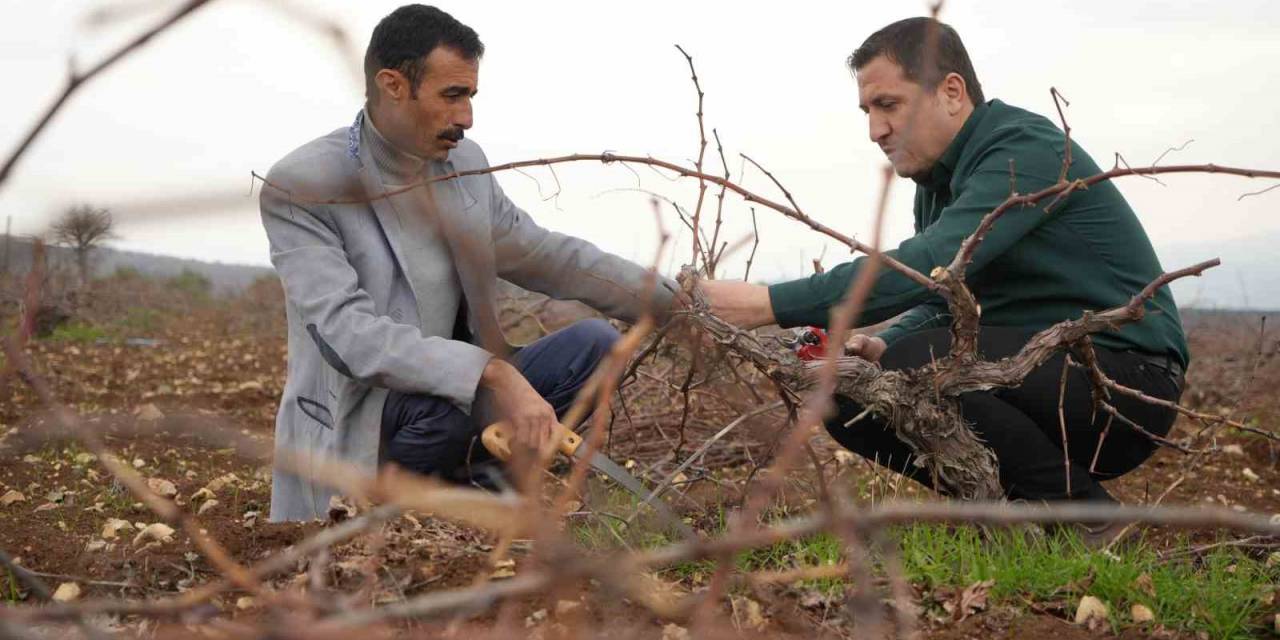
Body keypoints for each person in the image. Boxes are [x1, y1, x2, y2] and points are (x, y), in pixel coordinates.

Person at [699, 17, 1186, 515]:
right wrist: (885, 340)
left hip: (1126, 383)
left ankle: (1083, 516)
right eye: (867, 110)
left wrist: (768, 302)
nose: (875, 130)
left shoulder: (1022, 152)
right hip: (1042, 371)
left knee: (912, 370)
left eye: (889, 105)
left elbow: (927, 263)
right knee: (849, 397)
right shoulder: (938, 184)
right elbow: (946, 295)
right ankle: (1013, 512)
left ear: (951, 92)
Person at [260, 5, 676, 521]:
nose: (467, 117)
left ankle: (480, 487)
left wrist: (676, 304)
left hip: (461, 396)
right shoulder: (304, 185)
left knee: (594, 348)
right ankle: (409, 510)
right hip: (370, 411)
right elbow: (350, 338)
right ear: (392, 85)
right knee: (448, 413)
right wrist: (492, 374)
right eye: (452, 95)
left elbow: (545, 254)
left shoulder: (466, 166)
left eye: (471, 96)